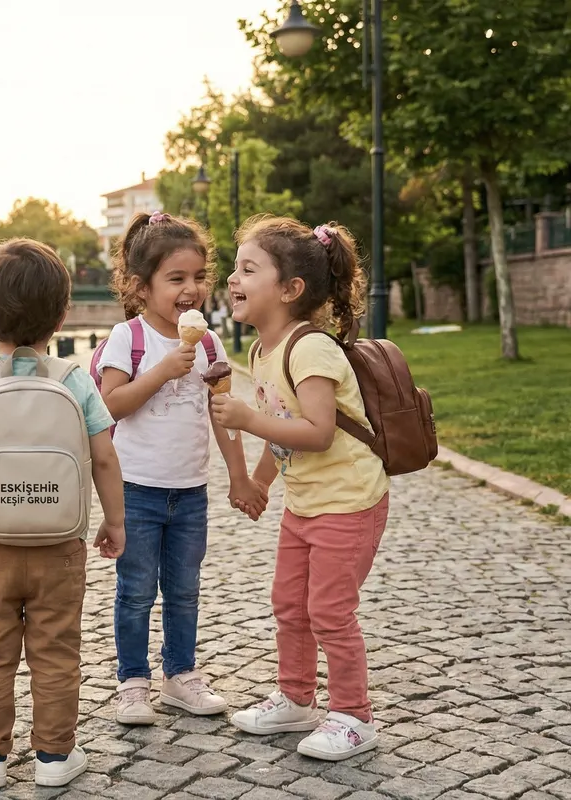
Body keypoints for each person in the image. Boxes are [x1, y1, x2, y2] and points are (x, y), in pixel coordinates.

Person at [0, 239, 125, 789]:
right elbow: (105, 457)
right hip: (59, 544)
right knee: (56, 652)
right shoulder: (74, 379)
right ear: (62, 316)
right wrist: (115, 520)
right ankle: (55, 757)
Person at [210, 215, 390, 761]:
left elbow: (317, 431)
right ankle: (296, 698)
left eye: (248, 269)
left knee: (330, 611)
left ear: (290, 290)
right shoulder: (261, 351)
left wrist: (246, 418)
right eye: (235, 268)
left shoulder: (310, 349)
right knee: (289, 604)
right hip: (307, 504)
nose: (233, 279)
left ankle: (354, 716)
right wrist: (259, 482)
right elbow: (283, 428)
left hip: (349, 501)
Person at [96, 212, 267, 725]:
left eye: (198, 277)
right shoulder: (128, 337)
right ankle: (132, 683)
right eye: (176, 279)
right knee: (135, 591)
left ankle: (180, 675)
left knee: (185, 590)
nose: (191, 289)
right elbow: (109, 405)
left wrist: (239, 476)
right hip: (136, 489)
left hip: (190, 491)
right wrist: (161, 371)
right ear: (140, 287)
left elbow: (223, 414)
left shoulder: (210, 344)